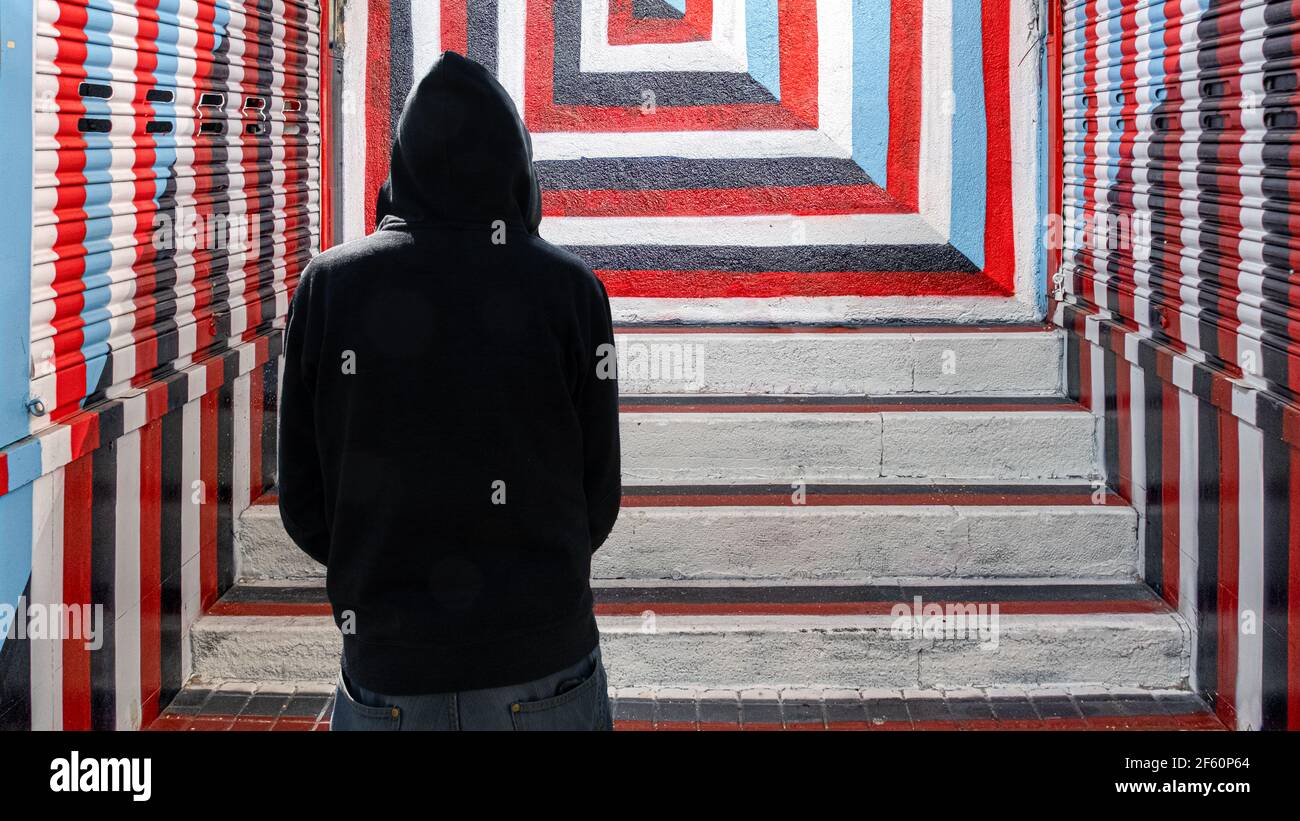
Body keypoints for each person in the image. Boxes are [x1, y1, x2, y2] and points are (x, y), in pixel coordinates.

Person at [277, 52, 622, 731]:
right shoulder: (571, 291)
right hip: (545, 659)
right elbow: (598, 497)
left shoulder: (328, 286)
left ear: (400, 167)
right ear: (519, 168)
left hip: (388, 670)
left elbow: (305, 503)